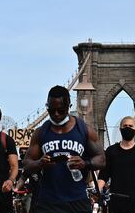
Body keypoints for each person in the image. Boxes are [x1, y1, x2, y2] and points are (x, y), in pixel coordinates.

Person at [23, 85, 105, 213]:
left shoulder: (84, 130)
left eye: (61, 110)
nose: (56, 114)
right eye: (51, 110)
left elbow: (101, 159)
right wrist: (40, 163)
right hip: (48, 201)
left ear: (69, 107)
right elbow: (27, 164)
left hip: (77, 201)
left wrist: (85, 163)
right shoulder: (40, 133)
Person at [97, 116, 135, 213]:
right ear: (120, 129)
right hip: (116, 201)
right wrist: (97, 189)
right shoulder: (111, 151)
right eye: (125, 126)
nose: (127, 128)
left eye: (130, 126)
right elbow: (104, 174)